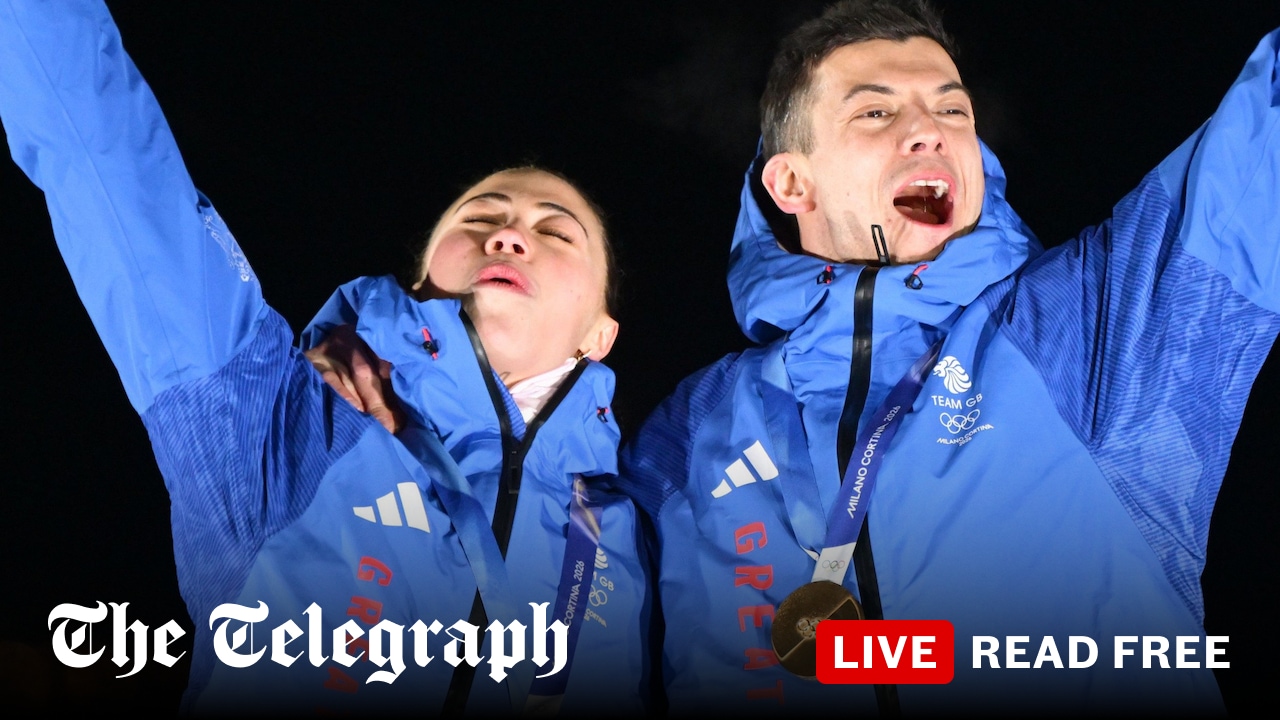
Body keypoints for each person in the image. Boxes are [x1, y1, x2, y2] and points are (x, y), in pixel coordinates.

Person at [614, 0, 1280, 715]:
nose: (928, 131)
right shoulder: (689, 433)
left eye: (953, 112)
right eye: (875, 113)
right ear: (790, 183)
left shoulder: (1082, 332)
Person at [0, 0, 650, 715]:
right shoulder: (281, 419)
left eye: (557, 234)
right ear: (422, 276)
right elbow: (107, 161)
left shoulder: (647, 522)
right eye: (479, 218)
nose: (509, 236)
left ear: (599, 335)